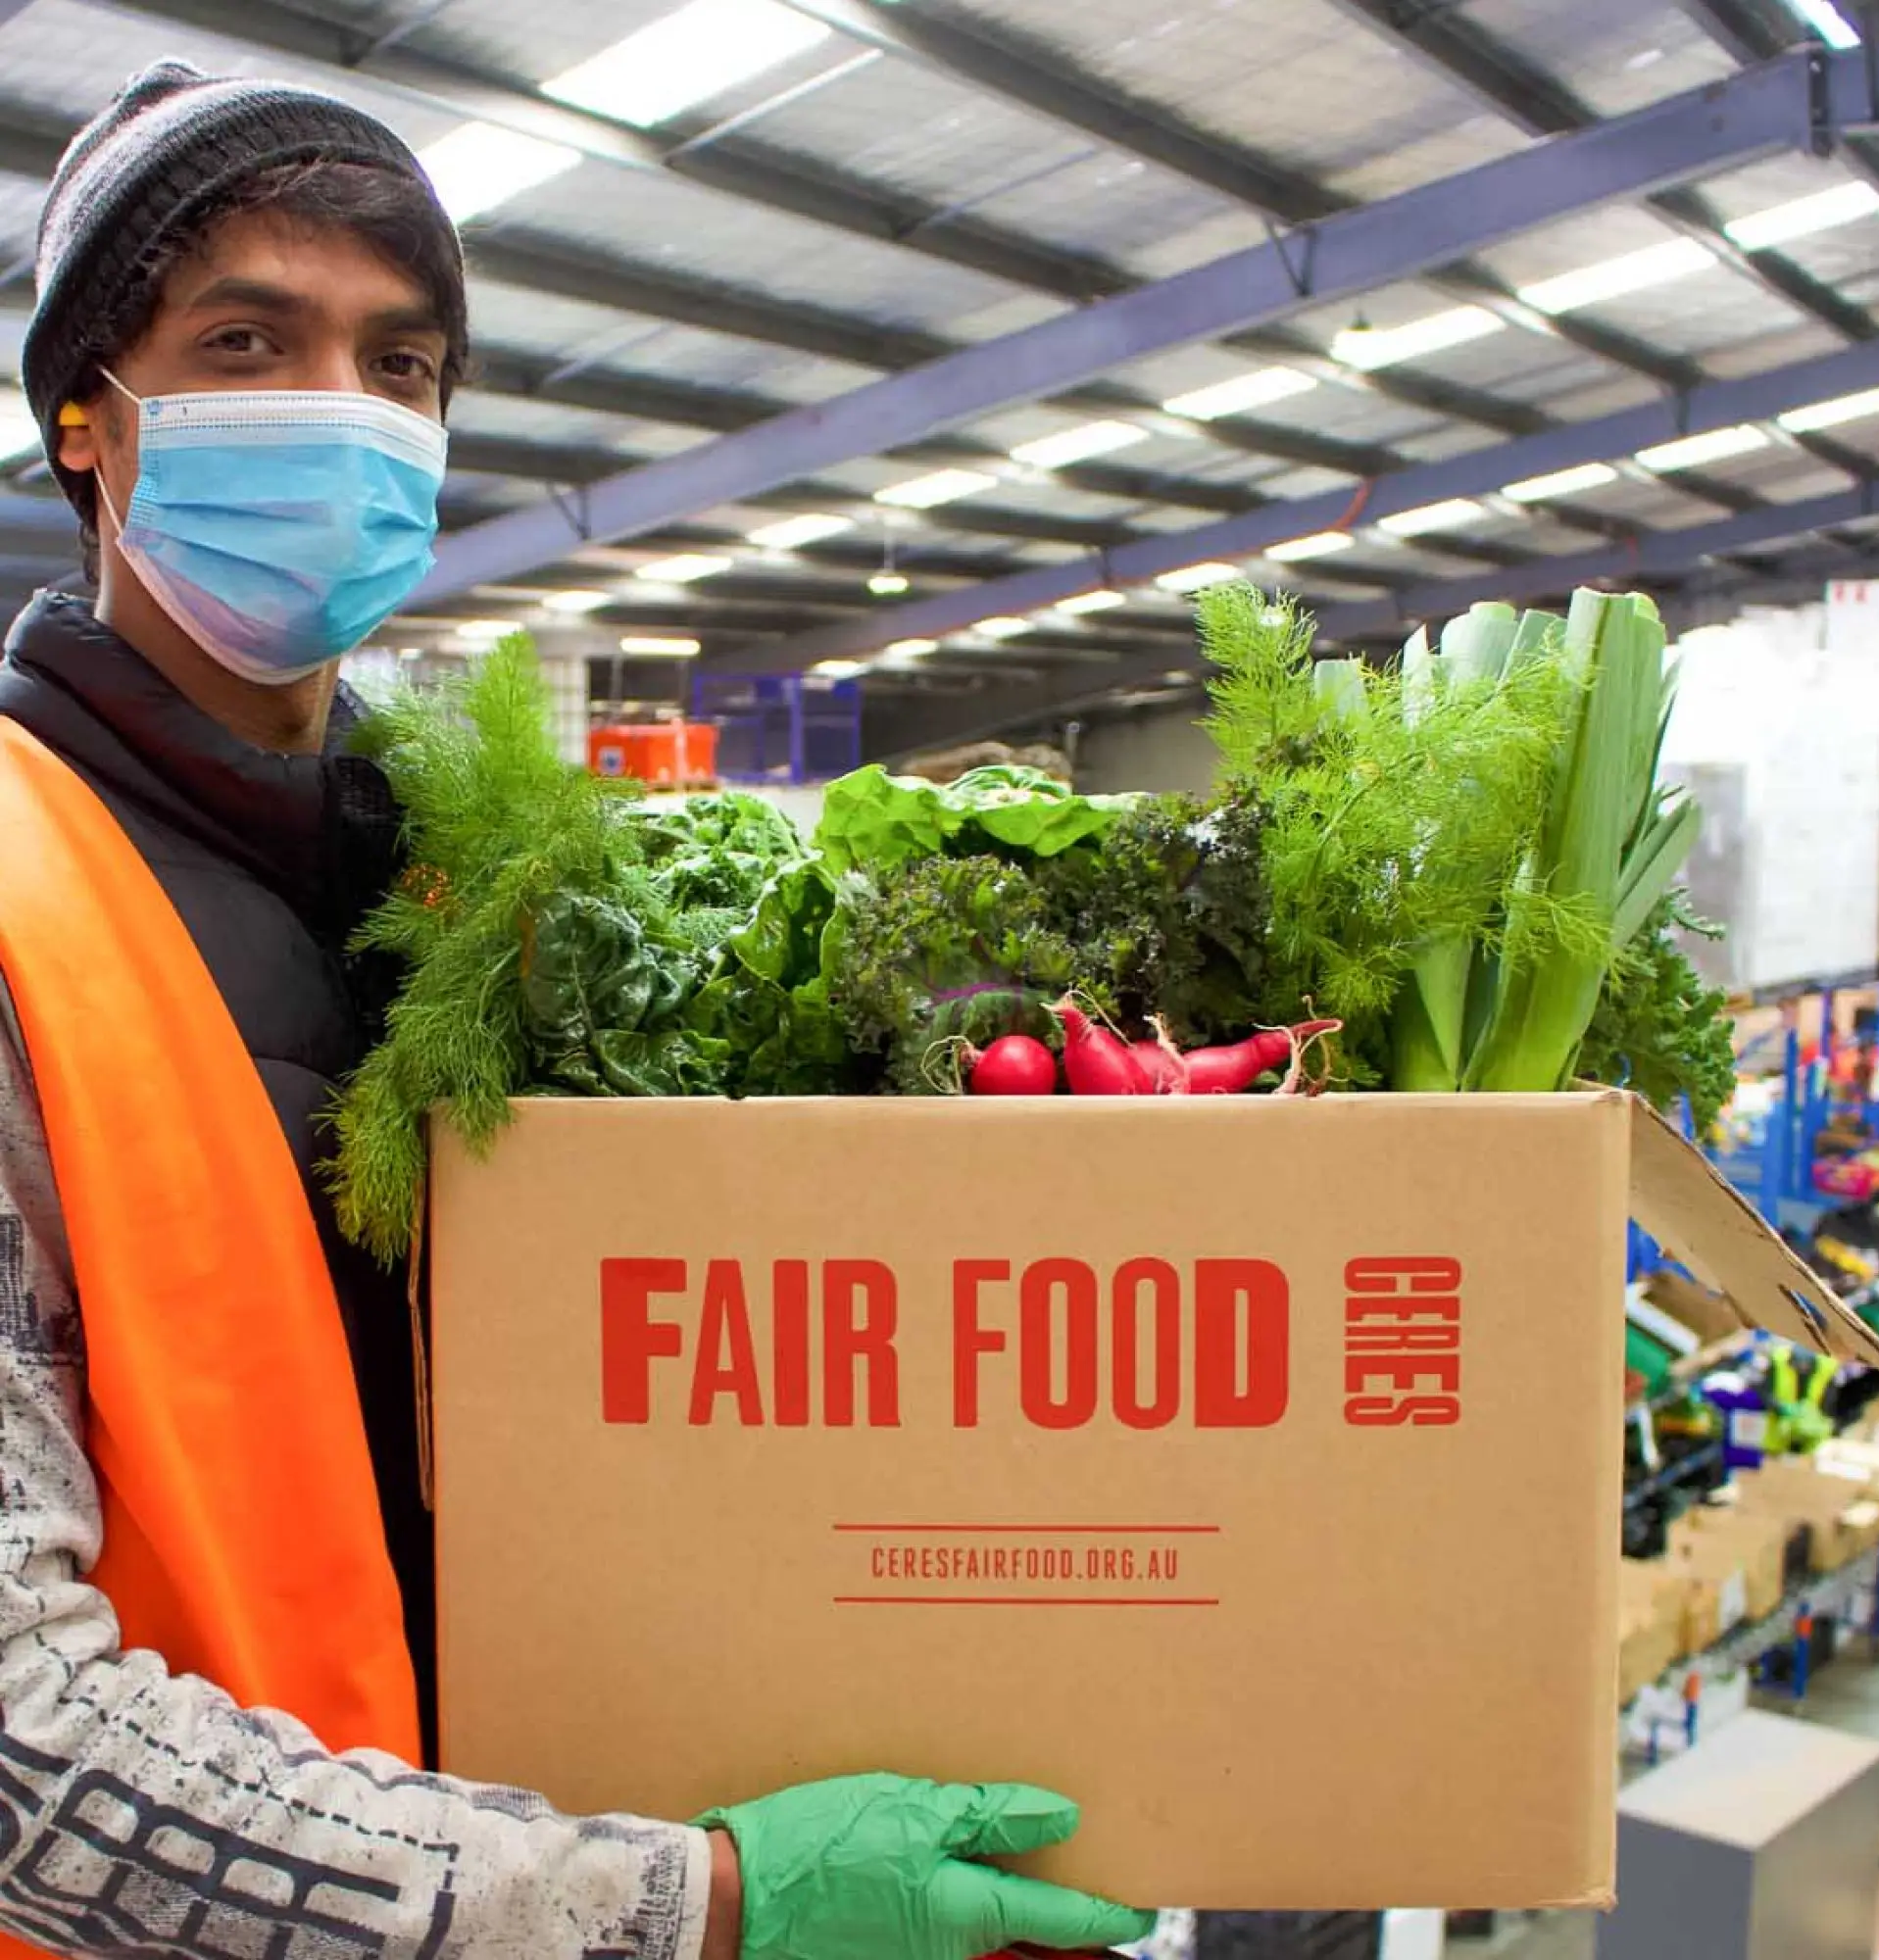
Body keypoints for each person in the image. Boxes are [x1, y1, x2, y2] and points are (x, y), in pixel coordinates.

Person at [0, 63, 1155, 1960]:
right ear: (85, 424)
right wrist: (686, 1901)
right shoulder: (20, 904)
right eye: (245, 340)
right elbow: (21, 1750)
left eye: (401, 364)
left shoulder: (481, 888)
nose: (343, 413)